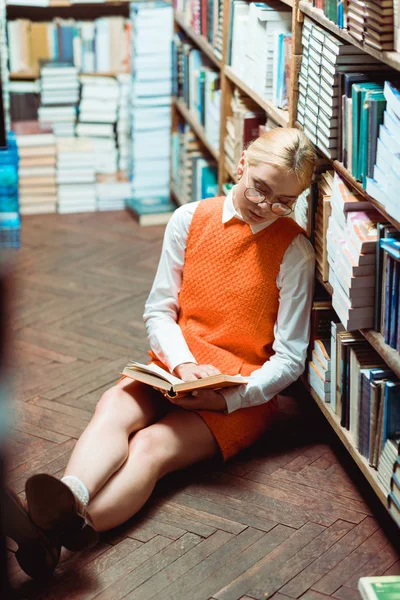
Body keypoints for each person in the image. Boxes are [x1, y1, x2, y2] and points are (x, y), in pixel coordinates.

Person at [6, 127, 316, 579]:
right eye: (260, 189)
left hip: (237, 390)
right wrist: (183, 363)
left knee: (151, 446)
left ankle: (61, 532)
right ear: (243, 161)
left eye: (284, 201)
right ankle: (71, 495)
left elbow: (290, 358)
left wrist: (228, 397)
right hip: (175, 364)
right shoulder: (189, 218)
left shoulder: (295, 251)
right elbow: (159, 311)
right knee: (114, 405)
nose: (266, 206)